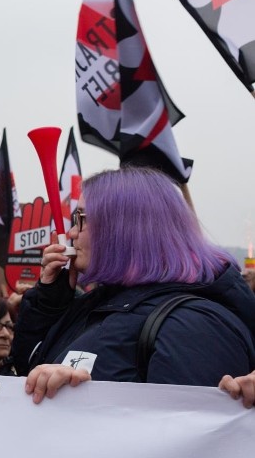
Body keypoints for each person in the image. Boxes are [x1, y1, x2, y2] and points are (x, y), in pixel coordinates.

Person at [13, 167, 255, 404]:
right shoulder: (103, 303)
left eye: (80, 219)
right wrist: (50, 300)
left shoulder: (195, 325)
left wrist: (89, 402)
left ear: (123, 228)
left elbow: (187, 435)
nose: (72, 233)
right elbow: (26, 371)